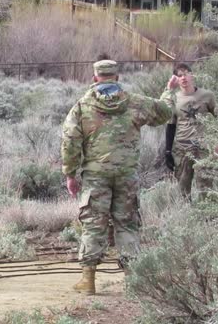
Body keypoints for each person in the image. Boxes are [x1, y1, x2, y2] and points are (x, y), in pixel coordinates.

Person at [61, 60, 174, 296]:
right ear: (117, 77)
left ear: (95, 78)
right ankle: (132, 280)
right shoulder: (135, 102)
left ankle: (88, 280)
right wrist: (168, 91)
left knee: (93, 224)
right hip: (126, 175)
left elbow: (70, 140)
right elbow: (165, 112)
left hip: (96, 176)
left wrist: (70, 173)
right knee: (128, 224)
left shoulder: (82, 106)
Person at [164, 63, 218, 198]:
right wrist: (168, 150)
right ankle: (185, 215)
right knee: (182, 188)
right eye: (179, 75)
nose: (183, 78)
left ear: (191, 74)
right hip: (182, 148)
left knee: (205, 188)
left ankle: (206, 217)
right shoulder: (174, 97)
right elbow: (170, 125)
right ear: (176, 78)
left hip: (203, 148)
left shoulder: (207, 95)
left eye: (186, 73)